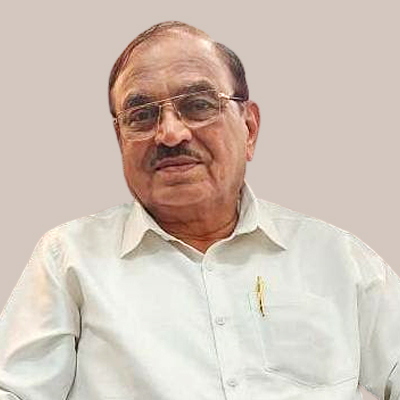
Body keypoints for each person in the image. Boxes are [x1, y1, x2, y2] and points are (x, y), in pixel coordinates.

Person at [0, 21, 399, 400]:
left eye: (198, 105)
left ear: (250, 128)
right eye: (141, 115)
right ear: (120, 138)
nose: (171, 134)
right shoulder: (69, 258)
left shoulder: (337, 258)